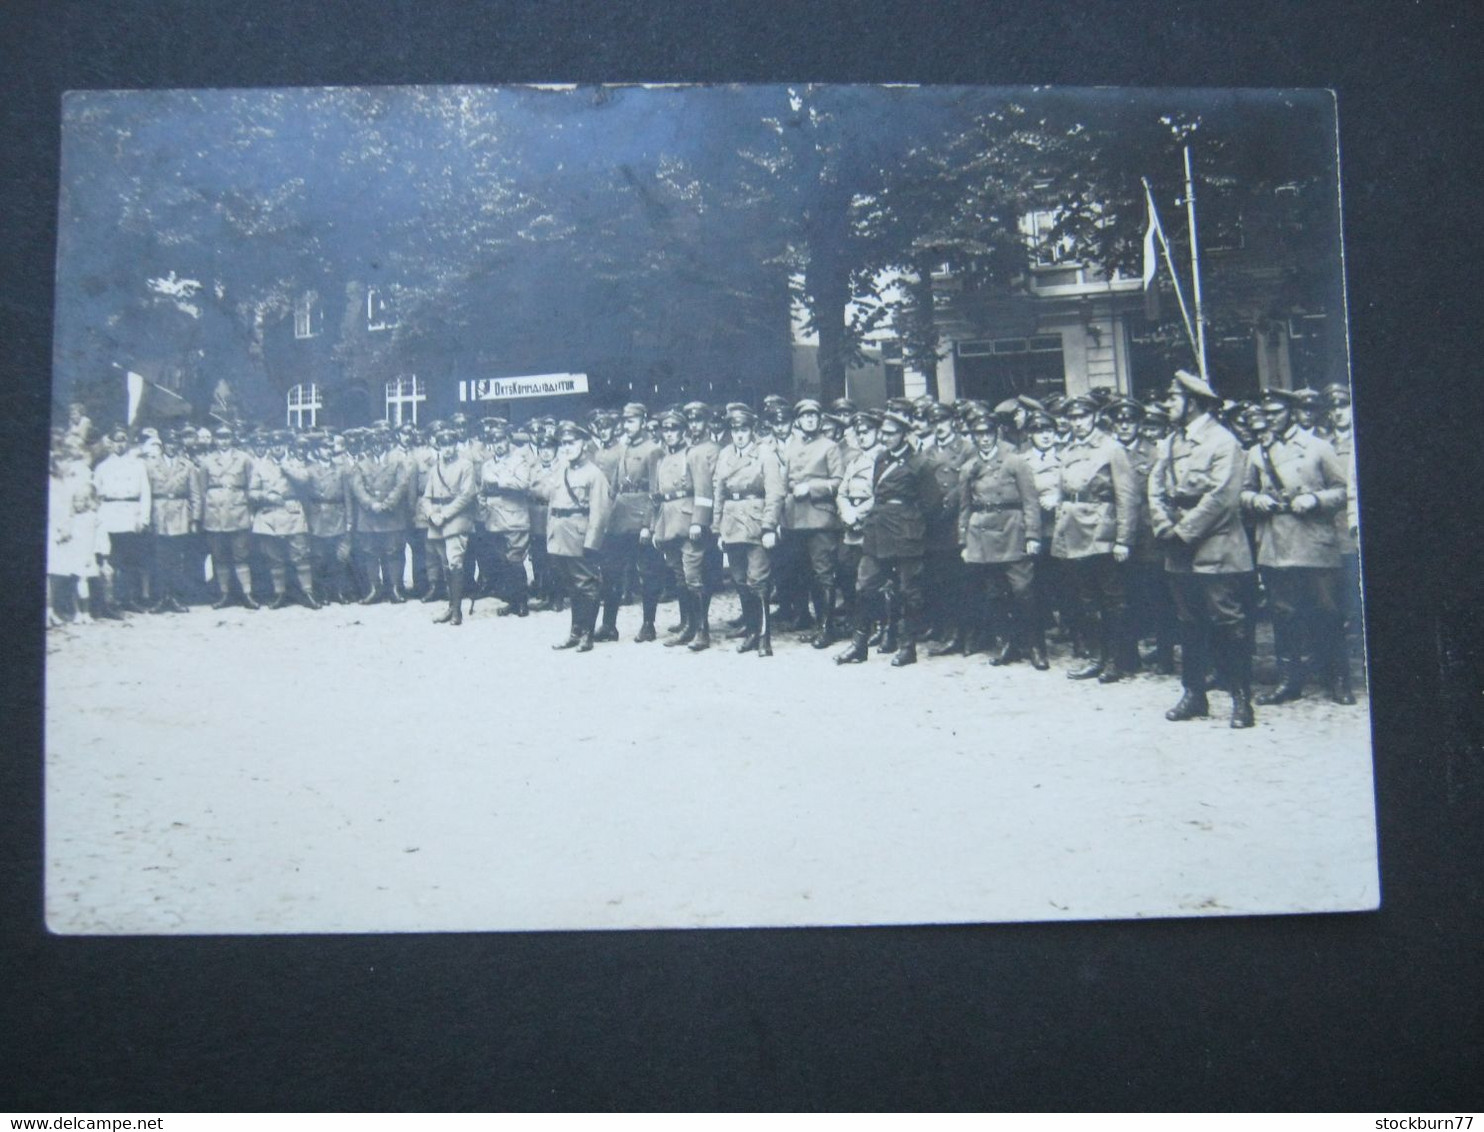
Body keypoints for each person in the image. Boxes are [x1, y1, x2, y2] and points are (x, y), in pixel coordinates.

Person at [1148, 369, 1256, 729]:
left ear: (1192, 403)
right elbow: (1156, 487)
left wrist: (1183, 531)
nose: (1167, 405)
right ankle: (1194, 694)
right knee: (1189, 623)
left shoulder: (1223, 442)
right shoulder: (1170, 442)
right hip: (1179, 549)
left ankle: (1241, 699)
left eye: (1173, 399)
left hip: (1217, 547)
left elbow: (1222, 498)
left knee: (1228, 623)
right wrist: (1164, 525)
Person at [1241, 387, 1352, 706]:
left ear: (1290, 412)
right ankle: (1290, 681)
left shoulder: (1318, 447)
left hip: (1315, 543)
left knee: (1326, 613)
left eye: (1276, 412)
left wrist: (1314, 499)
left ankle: (1339, 679)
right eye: (1267, 413)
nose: (1270, 418)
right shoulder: (1257, 452)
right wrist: (1256, 499)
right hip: (1276, 543)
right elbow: (1244, 492)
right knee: (1283, 615)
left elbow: (1342, 490)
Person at [834, 409, 943, 668]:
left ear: (904, 435)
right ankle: (859, 645)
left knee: (908, 591)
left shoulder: (921, 464)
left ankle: (908, 647)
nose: (886, 437)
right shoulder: (881, 459)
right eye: (883, 433)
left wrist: (912, 523)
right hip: (878, 532)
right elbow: (877, 492)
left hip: (906, 534)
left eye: (892, 433)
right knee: (865, 586)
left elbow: (932, 505)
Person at [1051, 396, 1138, 683]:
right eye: (1073, 418)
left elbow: (1127, 497)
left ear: (1094, 417)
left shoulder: (1111, 448)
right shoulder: (1067, 450)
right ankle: (1097, 656)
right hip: (1075, 530)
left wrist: (1124, 539)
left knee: (1112, 599)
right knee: (1087, 599)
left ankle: (1118, 659)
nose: (1077, 422)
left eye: (1083, 417)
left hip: (1102, 530)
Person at [957, 409, 1046, 669]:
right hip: (982, 534)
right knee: (995, 593)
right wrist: (963, 541)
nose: (984, 439)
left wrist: (1032, 535)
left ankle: (1035, 646)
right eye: (978, 434)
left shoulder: (1014, 461)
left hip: (1012, 531)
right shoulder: (969, 467)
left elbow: (1030, 501)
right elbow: (964, 507)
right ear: (973, 437)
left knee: (1023, 592)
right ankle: (1008, 643)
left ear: (996, 434)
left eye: (988, 433)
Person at [712, 404, 785, 656]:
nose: (740, 434)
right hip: (731, 523)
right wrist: (718, 529)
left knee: (759, 581)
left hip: (755, 522)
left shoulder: (765, 454)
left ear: (752, 430)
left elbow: (775, 492)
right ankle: (752, 631)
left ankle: (765, 637)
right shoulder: (725, 455)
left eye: (744, 429)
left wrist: (769, 527)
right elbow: (718, 492)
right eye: (735, 429)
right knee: (740, 581)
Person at [596, 403, 664, 642]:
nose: (628, 425)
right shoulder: (624, 448)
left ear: (643, 422)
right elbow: (614, 487)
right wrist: (608, 516)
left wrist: (648, 525)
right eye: (625, 421)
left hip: (640, 518)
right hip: (620, 517)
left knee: (647, 573)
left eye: (632, 421)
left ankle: (648, 625)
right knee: (611, 572)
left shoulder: (653, 450)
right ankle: (609, 625)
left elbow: (656, 491)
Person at [780, 398, 845, 646]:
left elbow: (839, 481)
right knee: (804, 574)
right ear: (798, 421)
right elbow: (784, 481)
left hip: (820, 519)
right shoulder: (791, 448)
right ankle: (814, 622)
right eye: (805, 416)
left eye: (814, 416)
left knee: (824, 574)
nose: (810, 420)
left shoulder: (830, 447)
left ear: (819, 420)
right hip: (795, 520)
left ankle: (828, 628)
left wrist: (811, 487)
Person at [546, 421, 612, 652]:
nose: (566, 448)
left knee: (587, 585)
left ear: (583, 444)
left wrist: (592, 543)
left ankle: (587, 634)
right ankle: (574, 632)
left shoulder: (594, 474)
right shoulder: (560, 470)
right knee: (571, 586)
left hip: (579, 537)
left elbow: (600, 512)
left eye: (571, 442)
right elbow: (552, 504)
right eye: (563, 443)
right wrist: (550, 535)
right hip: (560, 537)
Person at [248, 429, 317, 609]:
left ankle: (307, 593)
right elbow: (252, 492)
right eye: (273, 445)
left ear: (286, 446)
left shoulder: (295, 462)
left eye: (280, 445)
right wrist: (265, 496)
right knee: (274, 557)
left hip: (292, 512)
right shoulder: (260, 466)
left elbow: (305, 480)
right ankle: (279, 594)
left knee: (301, 555)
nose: (277, 448)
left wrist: (286, 467)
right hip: (269, 514)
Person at [475, 419, 535, 618]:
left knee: (515, 560)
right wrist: (482, 508)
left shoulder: (519, 461)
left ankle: (522, 602)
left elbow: (524, 484)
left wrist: (499, 481)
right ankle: (511, 600)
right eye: (493, 441)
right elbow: (482, 491)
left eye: (501, 440)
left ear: (508, 441)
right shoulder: (486, 465)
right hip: (493, 521)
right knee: (502, 561)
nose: (497, 444)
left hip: (514, 518)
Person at [92, 426, 153, 615]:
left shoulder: (137, 465)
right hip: (109, 515)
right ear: (110, 443)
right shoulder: (102, 467)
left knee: (131, 560)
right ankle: (112, 601)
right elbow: (94, 496)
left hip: (130, 515)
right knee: (112, 560)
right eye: (116, 440)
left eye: (123, 440)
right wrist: (98, 520)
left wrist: (143, 518)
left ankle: (129, 598)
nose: (120, 444)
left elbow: (146, 494)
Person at [833, 408, 881, 649]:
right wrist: (846, 511)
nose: (863, 437)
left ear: (878, 432)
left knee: (874, 578)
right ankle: (857, 622)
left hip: (873, 525)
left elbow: (881, 493)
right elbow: (842, 491)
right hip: (851, 526)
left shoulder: (883, 459)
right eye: (859, 433)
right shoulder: (856, 460)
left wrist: (858, 513)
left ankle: (880, 626)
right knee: (846, 570)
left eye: (867, 432)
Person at [351, 424, 412, 604]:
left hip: (391, 515)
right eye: (373, 443)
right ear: (369, 446)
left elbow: (401, 485)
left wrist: (387, 504)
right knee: (370, 552)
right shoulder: (360, 464)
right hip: (369, 516)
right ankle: (374, 588)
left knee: (394, 551)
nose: (377, 446)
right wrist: (372, 504)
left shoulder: (397, 462)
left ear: (386, 444)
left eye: (381, 443)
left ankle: (394, 588)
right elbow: (358, 488)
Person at [424, 429, 480, 626]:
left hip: (456, 519)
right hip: (437, 521)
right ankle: (450, 606)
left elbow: (466, 495)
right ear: (438, 446)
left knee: (455, 562)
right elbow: (426, 497)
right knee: (445, 564)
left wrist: (444, 514)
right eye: (443, 445)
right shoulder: (435, 467)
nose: (447, 449)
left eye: (450, 444)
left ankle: (457, 611)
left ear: (456, 445)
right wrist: (431, 513)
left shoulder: (466, 465)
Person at [144, 427, 203, 613]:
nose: (171, 447)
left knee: (178, 559)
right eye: (168, 443)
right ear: (162, 445)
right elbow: (146, 494)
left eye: (175, 443)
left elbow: (195, 495)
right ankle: (161, 597)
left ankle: (176, 597)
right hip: (159, 512)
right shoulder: (151, 465)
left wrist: (195, 519)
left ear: (179, 445)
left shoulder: (188, 465)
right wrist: (146, 517)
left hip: (180, 513)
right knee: (160, 559)